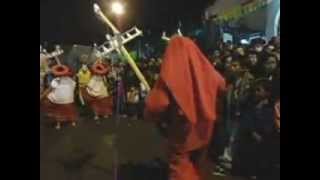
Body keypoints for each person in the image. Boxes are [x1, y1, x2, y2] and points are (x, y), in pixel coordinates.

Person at [144, 36, 226, 180]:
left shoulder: (170, 77)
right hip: (206, 128)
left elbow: (156, 106)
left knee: (180, 164)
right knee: (200, 165)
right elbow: (222, 84)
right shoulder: (210, 73)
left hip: (182, 130)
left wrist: (150, 112)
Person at [40, 64, 77, 130]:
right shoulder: (71, 80)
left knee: (50, 103)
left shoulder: (55, 80)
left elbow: (48, 90)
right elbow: (73, 88)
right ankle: (73, 122)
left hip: (58, 101)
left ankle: (58, 124)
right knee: (70, 109)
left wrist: (41, 97)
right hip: (70, 101)